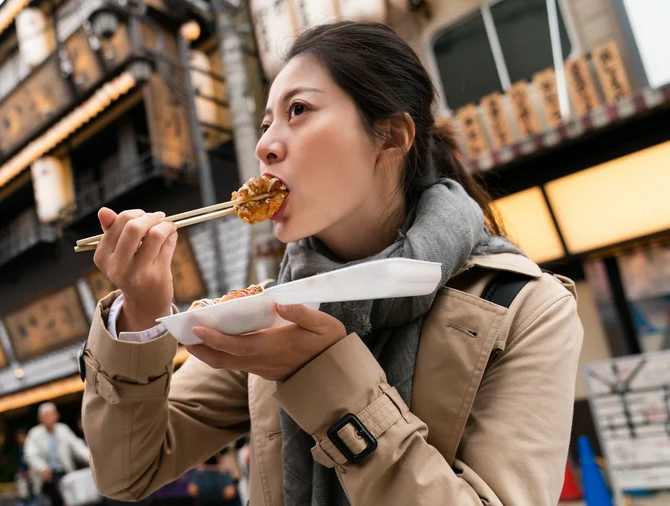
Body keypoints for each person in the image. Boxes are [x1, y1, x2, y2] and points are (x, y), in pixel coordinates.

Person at [80, 20, 583, 506]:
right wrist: (141, 317)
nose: (264, 145)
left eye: (298, 109)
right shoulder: (274, 308)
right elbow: (128, 470)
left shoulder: (527, 309)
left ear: (391, 136)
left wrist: (319, 371)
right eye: (266, 123)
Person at [24, 402, 90, 506]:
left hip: (65, 473)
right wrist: (42, 468)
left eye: (51, 414)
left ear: (57, 415)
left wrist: (90, 459)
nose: (49, 418)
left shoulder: (63, 429)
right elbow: (30, 455)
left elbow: (78, 447)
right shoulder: (34, 433)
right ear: (40, 418)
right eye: (45, 415)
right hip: (47, 477)